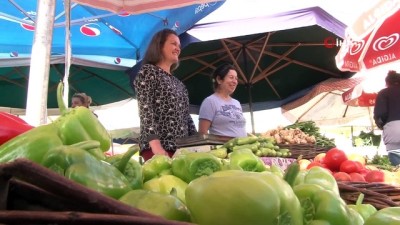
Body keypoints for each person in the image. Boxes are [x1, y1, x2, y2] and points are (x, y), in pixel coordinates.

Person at [133, 29, 197, 161]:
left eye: (179, 46)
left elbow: (187, 117)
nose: (178, 48)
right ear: (159, 45)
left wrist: (198, 143)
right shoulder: (148, 72)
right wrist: (156, 146)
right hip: (158, 148)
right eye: (173, 44)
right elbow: (146, 110)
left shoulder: (179, 84)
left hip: (182, 149)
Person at [198, 63, 246, 138]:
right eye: (231, 77)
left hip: (243, 148)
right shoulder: (210, 101)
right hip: (223, 148)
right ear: (219, 80)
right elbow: (202, 133)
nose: (235, 81)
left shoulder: (237, 103)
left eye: (236, 78)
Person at [374, 70, 400, 166]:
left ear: (387, 82)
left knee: (397, 167)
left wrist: (381, 125)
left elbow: (381, 114)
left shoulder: (383, 93)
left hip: (393, 130)